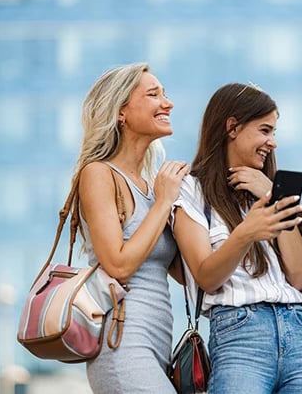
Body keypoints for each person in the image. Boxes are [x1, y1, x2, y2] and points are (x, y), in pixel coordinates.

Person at [171, 83, 302, 393]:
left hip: (297, 333)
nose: (273, 142)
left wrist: (271, 195)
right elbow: (206, 276)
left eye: (274, 132)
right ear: (232, 127)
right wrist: (246, 232)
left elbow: (299, 275)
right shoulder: (192, 191)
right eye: (265, 130)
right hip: (240, 334)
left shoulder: (273, 189)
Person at [72, 63, 189, 393]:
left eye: (165, 94)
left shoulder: (153, 187)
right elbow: (118, 265)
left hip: (158, 342)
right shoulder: (99, 174)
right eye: (153, 94)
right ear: (120, 112)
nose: (168, 103)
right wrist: (165, 202)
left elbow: (183, 273)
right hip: (122, 342)